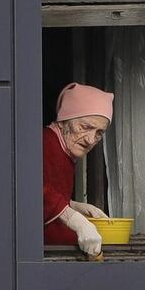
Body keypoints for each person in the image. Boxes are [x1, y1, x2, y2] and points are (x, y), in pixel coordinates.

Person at [44, 82, 114, 257]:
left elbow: (49, 191)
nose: (91, 140)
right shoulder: (44, 144)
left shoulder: (63, 150)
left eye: (99, 133)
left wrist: (76, 206)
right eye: (86, 127)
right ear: (63, 121)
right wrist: (76, 220)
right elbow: (29, 190)